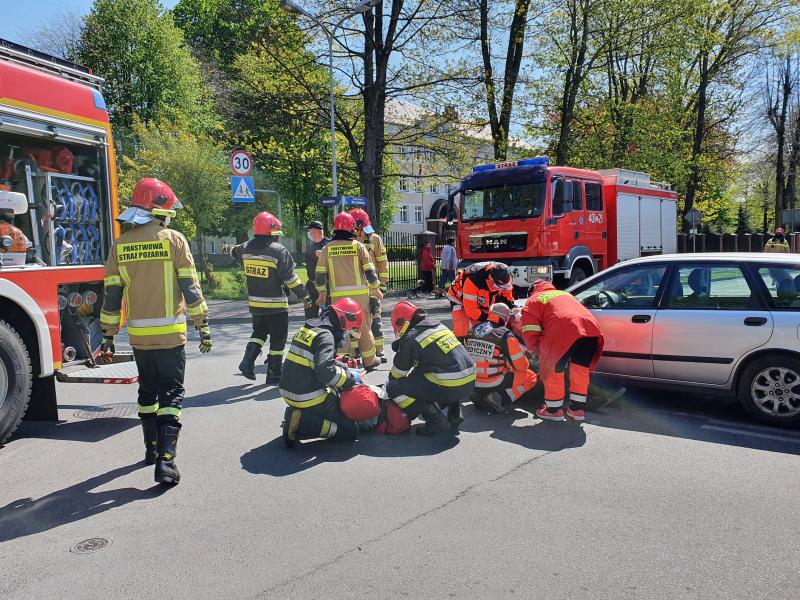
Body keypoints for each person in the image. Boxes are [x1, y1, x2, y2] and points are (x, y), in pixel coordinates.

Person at [99, 178, 210, 486]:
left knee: (147, 393)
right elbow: (191, 289)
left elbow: (111, 297)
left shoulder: (119, 246)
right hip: (171, 337)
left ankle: (150, 449)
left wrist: (108, 334)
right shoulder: (174, 240)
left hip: (139, 338)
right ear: (161, 209)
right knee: (172, 394)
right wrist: (203, 326)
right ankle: (166, 461)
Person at [230, 212, 306, 384]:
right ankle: (274, 375)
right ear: (272, 232)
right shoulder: (278, 251)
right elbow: (290, 278)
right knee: (278, 340)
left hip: (255, 303)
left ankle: (247, 362)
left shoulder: (245, 248)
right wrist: (304, 295)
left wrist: (230, 250)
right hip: (276, 305)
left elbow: (234, 252)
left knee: (259, 332)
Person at [280, 298, 364, 446]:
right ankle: (301, 423)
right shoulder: (326, 336)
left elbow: (317, 361)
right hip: (307, 396)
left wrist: (344, 367)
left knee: (332, 403)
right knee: (349, 430)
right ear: (344, 319)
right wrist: (350, 378)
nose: (346, 336)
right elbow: (325, 372)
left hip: (288, 391)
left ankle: (302, 414)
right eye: (348, 331)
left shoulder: (309, 329)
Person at [385, 301, 476, 436]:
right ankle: (454, 414)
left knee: (393, 388)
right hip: (469, 383)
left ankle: (436, 421)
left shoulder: (411, 337)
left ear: (401, 322)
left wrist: (387, 386)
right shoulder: (438, 325)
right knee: (440, 373)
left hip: (450, 385)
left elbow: (397, 373)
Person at [520, 279, 604, 422]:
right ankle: (577, 410)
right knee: (580, 370)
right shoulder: (564, 294)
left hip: (563, 331)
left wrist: (535, 351)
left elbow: (530, 331)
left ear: (532, 290)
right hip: (590, 329)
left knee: (553, 369)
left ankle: (553, 411)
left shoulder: (533, 300)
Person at [315, 211, 383, 370]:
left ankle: (343, 361)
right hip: (360, 297)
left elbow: (320, 274)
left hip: (338, 299)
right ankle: (370, 361)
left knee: (341, 329)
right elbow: (370, 272)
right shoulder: (358, 246)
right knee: (364, 328)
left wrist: (321, 294)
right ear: (351, 227)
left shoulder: (327, 248)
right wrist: (376, 289)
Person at [464, 303, 538, 413]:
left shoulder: (472, 329)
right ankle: (498, 398)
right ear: (506, 318)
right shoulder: (505, 335)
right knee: (531, 377)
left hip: (471, 380)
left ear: (490, 313)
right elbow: (521, 366)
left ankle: (479, 393)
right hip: (493, 381)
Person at [350, 208, 390, 362]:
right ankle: (354, 351)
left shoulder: (375, 239)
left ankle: (379, 351)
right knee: (354, 321)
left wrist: (383, 284)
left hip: (372, 287)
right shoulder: (349, 240)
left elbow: (383, 262)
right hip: (355, 288)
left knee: (376, 320)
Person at [447, 261, 514, 339]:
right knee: (462, 329)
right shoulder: (474, 279)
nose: (504, 288)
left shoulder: (505, 276)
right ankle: (460, 342)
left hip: (481, 297)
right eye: (501, 286)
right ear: (491, 279)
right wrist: (491, 318)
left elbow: (507, 296)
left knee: (483, 329)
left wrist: (512, 309)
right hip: (459, 298)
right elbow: (471, 311)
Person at [304, 220, 329, 319]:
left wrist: (324, 255)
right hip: (311, 286)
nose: (309, 234)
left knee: (328, 316)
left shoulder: (329, 245)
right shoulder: (310, 246)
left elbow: (335, 263)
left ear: (317, 231)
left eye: (311, 231)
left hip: (326, 287)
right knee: (310, 317)